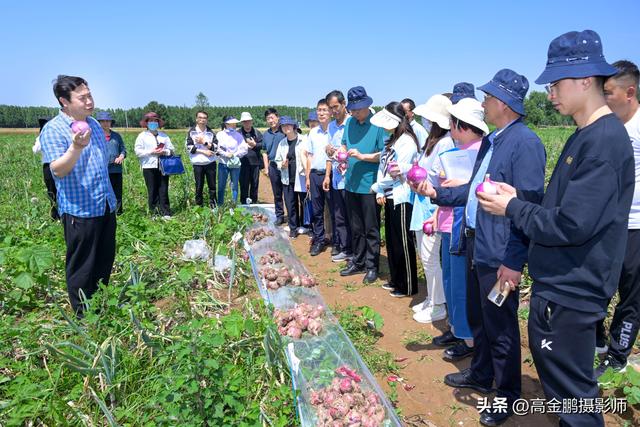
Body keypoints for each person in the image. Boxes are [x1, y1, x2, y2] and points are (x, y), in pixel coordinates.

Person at [477, 30, 634, 427]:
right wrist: (524, 200)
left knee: (573, 399)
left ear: (585, 80)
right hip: (562, 286)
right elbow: (566, 208)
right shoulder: (585, 135)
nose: (549, 92)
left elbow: (571, 224)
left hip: (572, 292)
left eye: (556, 83)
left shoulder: (603, 142)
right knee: (566, 394)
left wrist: (511, 207)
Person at [417, 69, 546, 426]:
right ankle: (481, 372)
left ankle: (507, 396)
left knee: (502, 328)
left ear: (503, 104)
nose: (484, 103)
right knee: (480, 318)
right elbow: (474, 190)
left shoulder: (526, 144)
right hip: (479, 243)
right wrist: (437, 193)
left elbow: (529, 205)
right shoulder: (493, 141)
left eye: (488, 98)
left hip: (502, 251)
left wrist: (514, 260)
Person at [39, 75, 117, 316]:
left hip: (104, 204)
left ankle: (101, 304)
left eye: (90, 95)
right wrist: (75, 147)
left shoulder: (93, 124)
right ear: (64, 101)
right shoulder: (54, 130)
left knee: (105, 259)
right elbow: (57, 171)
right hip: (79, 210)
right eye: (82, 98)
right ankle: (84, 316)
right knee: (82, 265)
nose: (89, 101)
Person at [595, 60, 640, 376]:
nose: (604, 98)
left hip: (636, 225)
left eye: (608, 92)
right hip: (604, 224)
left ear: (630, 92)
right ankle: (595, 339)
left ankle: (618, 354)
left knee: (631, 294)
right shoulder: (605, 126)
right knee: (596, 286)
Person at [404, 95, 452, 323]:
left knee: (431, 258)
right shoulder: (433, 141)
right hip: (422, 203)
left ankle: (439, 304)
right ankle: (432, 298)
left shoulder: (445, 142)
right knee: (425, 256)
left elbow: (441, 178)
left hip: (432, 205)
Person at [370, 102, 419, 297]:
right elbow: (383, 168)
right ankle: (396, 279)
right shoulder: (392, 140)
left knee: (403, 243)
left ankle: (407, 285)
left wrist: (378, 187)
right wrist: (380, 190)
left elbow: (398, 170)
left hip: (401, 196)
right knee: (391, 240)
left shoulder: (407, 141)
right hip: (389, 195)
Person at [339, 86, 385, 284]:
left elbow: (383, 155)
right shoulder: (350, 123)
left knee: (371, 228)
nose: (355, 113)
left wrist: (362, 156)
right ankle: (358, 261)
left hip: (369, 185)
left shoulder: (378, 125)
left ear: (368, 106)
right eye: (353, 109)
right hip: (351, 183)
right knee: (355, 227)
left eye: (358, 109)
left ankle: (372, 265)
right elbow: (343, 143)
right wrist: (341, 155)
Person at [325, 90, 353, 262]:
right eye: (330, 108)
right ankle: (345, 248)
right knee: (339, 216)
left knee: (352, 217)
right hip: (336, 177)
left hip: (349, 178)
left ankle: (354, 250)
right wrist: (328, 149)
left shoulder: (351, 123)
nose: (333, 111)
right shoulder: (331, 126)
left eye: (335, 107)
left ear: (344, 104)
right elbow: (329, 150)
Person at [134, 112, 175, 218]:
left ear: (158, 123)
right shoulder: (142, 136)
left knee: (163, 188)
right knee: (152, 189)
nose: (153, 123)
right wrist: (151, 152)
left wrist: (164, 151)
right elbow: (138, 152)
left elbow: (171, 150)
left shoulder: (164, 136)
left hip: (163, 165)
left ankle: (165, 212)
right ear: (147, 123)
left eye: (155, 121)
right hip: (149, 166)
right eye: (151, 121)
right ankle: (154, 213)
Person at [305, 100, 333, 255]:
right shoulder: (313, 132)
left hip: (331, 174)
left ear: (330, 112)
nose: (321, 113)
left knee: (335, 210)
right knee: (317, 210)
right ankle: (319, 240)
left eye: (324, 110)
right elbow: (310, 156)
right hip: (315, 174)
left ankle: (336, 240)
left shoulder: (334, 130)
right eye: (319, 110)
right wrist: (308, 177)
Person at [275, 116, 307, 238]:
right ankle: (293, 227)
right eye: (283, 126)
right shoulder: (282, 143)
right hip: (287, 178)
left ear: (294, 126)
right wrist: (281, 164)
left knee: (304, 201)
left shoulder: (303, 140)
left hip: (301, 177)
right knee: (290, 203)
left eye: (288, 125)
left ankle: (305, 225)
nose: (286, 127)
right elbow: (277, 160)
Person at [185, 110, 217, 208]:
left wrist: (204, 142)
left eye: (204, 118)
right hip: (198, 163)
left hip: (210, 162)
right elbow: (189, 148)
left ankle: (213, 206)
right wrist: (204, 151)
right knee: (199, 186)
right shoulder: (192, 132)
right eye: (200, 118)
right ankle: (199, 206)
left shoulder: (210, 132)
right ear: (196, 119)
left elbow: (215, 147)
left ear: (207, 120)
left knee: (212, 186)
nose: (202, 120)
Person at [96, 111, 126, 215]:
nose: (105, 123)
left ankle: (118, 212)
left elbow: (123, 149)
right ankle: (106, 212)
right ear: (99, 122)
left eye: (108, 121)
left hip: (116, 169)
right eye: (103, 121)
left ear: (111, 122)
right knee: (103, 192)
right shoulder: (96, 136)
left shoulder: (116, 136)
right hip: (102, 170)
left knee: (117, 192)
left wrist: (122, 156)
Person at [216, 115, 247, 205]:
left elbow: (244, 148)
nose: (234, 125)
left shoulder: (238, 135)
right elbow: (217, 148)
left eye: (235, 123)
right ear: (226, 124)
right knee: (221, 186)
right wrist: (226, 154)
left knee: (235, 186)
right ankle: (220, 205)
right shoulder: (219, 135)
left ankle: (234, 205)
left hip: (235, 164)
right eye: (231, 123)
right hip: (223, 163)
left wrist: (234, 154)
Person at [262, 108, 286, 224]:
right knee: (277, 193)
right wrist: (266, 168)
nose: (271, 120)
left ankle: (293, 217)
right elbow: (264, 152)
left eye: (272, 117)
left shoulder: (285, 130)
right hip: (273, 166)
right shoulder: (266, 134)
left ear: (277, 117)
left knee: (289, 192)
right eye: (268, 119)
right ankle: (280, 215)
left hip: (286, 166)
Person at [32, 116, 58, 220]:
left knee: (60, 189)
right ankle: (55, 214)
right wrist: (41, 138)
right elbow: (36, 150)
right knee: (51, 190)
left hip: (59, 163)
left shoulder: (57, 135)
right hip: (48, 165)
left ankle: (62, 213)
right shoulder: (41, 136)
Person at [238, 111, 263, 204]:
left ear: (251, 121)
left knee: (254, 184)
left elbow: (263, 145)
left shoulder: (257, 133)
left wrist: (255, 145)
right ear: (242, 122)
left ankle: (254, 202)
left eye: (248, 121)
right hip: (242, 163)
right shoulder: (238, 134)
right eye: (244, 121)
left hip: (255, 163)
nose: (247, 123)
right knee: (244, 184)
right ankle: (244, 204)